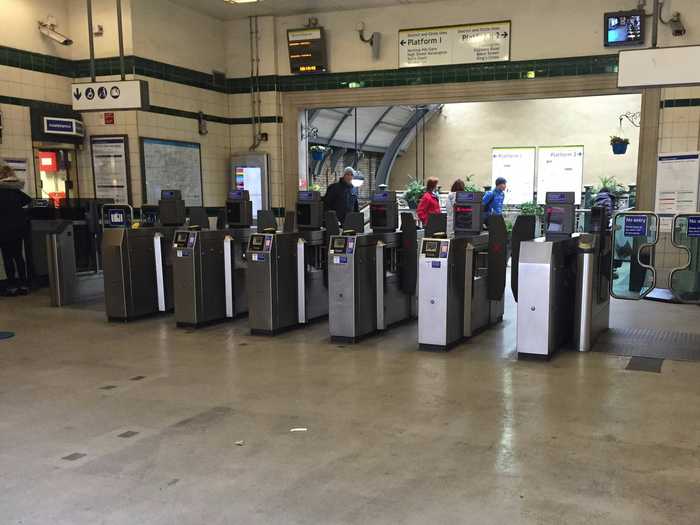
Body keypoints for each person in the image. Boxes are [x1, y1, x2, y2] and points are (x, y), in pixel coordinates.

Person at [0, 165, 32, 296]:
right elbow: (29, 201)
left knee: (7, 258)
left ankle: (12, 285)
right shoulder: (16, 191)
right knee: (18, 256)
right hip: (18, 229)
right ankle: (23, 284)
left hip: (3, 229)